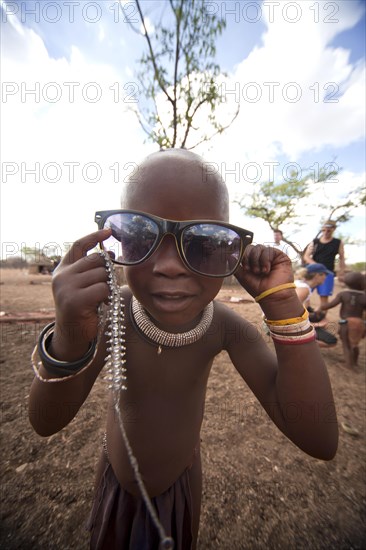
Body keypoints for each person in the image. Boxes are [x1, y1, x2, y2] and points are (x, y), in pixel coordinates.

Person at [28, 149, 338, 550]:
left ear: (233, 251)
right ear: (113, 242)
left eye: (204, 242)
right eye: (140, 235)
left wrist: (283, 308)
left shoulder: (222, 327)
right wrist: (70, 331)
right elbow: (45, 421)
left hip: (181, 488)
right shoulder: (110, 313)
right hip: (115, 482)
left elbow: (319, 438)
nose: (170, 265)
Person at [318, 272, 366, 368]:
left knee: (345, 344)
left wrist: (321, 307)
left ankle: (348, 364)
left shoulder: (343, 294)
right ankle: (354, 362)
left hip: (346, 323)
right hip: (360, 323)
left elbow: (330, 305)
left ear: (346, 282)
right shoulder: (364, 296)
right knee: (354, 343)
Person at [302, 220, 346, 309]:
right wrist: (317, 266)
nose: (326, 232)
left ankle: (320, 317)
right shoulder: (315, 242)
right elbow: (306, 256)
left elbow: (341, 258)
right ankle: (306, 313)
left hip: (327, 273)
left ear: (333, 229)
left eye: (328, 230)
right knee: (305, 294)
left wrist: (341, 272)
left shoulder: (338, 242)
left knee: (324, 296)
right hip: (312, 272)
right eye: (324, 230)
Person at [294, 263, 337, 348]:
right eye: (325, 274)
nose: (326, 277)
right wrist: (316, 325)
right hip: (282, 325)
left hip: (286, 320)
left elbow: (302, 309)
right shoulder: (303, 289)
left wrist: (318, 317)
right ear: (318, 275)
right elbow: (289, 314)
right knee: (332, 341)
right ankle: (297, 343)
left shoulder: (302, 284)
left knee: (320, 316)